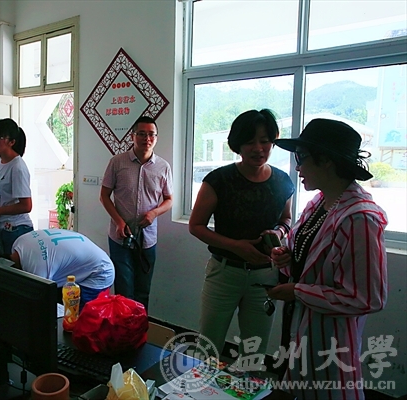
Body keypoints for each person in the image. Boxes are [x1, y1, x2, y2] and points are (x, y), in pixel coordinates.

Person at [268, 119, 387, 400]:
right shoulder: (320, 203)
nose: (297, 167)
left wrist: (298, 292)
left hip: (330, 337)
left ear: (327, 161)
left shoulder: (359, 218)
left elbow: (368, 298)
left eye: (302, 157)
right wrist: (287, 257)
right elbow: (310, 260)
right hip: (301, 328)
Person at [188, 109, 294, 356]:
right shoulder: (219, 180)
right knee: (208, 345)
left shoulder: (282, 181)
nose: (258, 148)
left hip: (265, 275)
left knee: (255, 349)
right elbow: (196, 226)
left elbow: (286, 219)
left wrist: (279, 231)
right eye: (250, 142)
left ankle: (249, 382)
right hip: (225, 272)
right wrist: (235, 245)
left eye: (265, 141)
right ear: (237, 144)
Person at [100, 116, 173, 311]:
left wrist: (154, 213)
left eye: (151, 134)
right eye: (141, 134)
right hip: (120, 238)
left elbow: (169, 199)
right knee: (124, 289)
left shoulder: (163, 167)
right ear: (132, 136)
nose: (146, 138)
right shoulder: (117, 162)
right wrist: (119, 221)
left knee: (143, 290)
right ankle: (123, 327)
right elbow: (104, 196)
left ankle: (139, 326)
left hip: (147, 239)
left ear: (156, 138)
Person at [10, 228, 115, 309]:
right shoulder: (19, 242)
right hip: (89, 258)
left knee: (78, 316)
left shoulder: (37, 268)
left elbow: (38, 299)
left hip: (100, 271)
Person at [0, 118, 33, 257]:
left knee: (9, 268)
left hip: (16, 228)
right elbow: (6, 193)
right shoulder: (0, 161)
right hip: (3, 227)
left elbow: (26, 205)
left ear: (12, 142)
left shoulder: (18, 167)